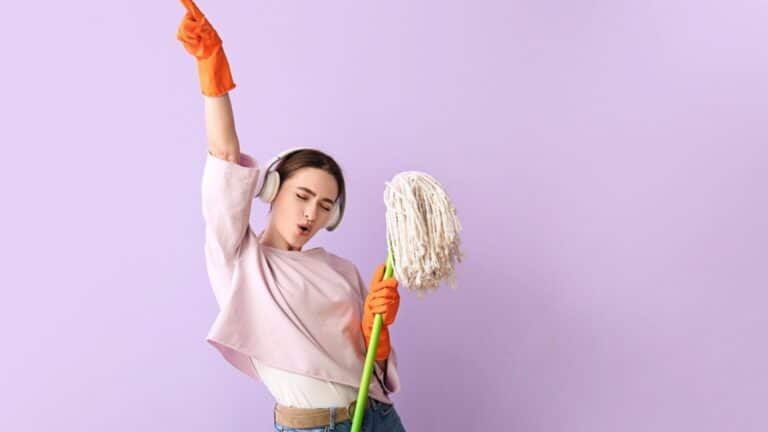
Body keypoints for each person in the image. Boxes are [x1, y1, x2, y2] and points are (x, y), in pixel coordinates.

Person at [176, 1, 408, 430]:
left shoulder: (342, 270)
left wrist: (379, 332)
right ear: (270, 188)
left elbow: (370, 364)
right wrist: (212, 73)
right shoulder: (240, 263)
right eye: (303, 195)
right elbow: (225, 154)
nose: (311, 213)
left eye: (325, 206)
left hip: (378, 418)